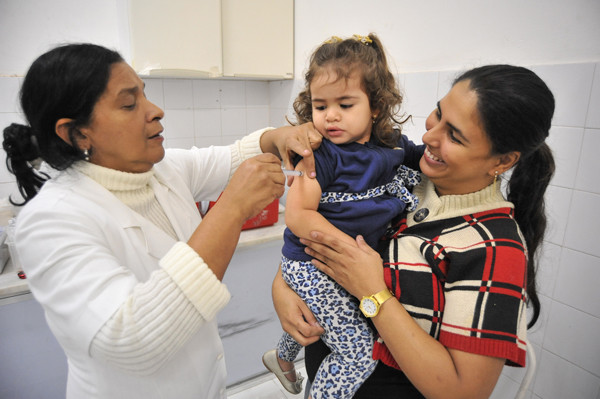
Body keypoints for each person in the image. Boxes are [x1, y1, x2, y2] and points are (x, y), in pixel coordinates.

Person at [1, 43, 321, 399]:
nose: (156, 111)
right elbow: (134, 339)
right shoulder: (50, 221)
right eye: (128, 104)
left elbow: (235, 155)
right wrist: (231, 208)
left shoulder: (161, 171)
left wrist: (276, 137)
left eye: (145, 96)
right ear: (77, 133)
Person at [273, 64, 555, 399]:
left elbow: (462, 392)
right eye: (438, 114)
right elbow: (330, 228)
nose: (428, 137)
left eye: (455, 135)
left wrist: (372, 292)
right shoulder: (407, 177)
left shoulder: (496, 248)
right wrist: (282, 287)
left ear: (503, 161)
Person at [261, 34, 424, 399]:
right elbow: (299, 216)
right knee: (356, 355)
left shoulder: (394, 145)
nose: (330, 116)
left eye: (345, 104)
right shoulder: (322, 156)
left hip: (339, 264)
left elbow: (427, 159)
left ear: (376, 106)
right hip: (312, 264)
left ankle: (282, 358)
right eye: (320, 106)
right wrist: (348, 253)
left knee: (316, 322)